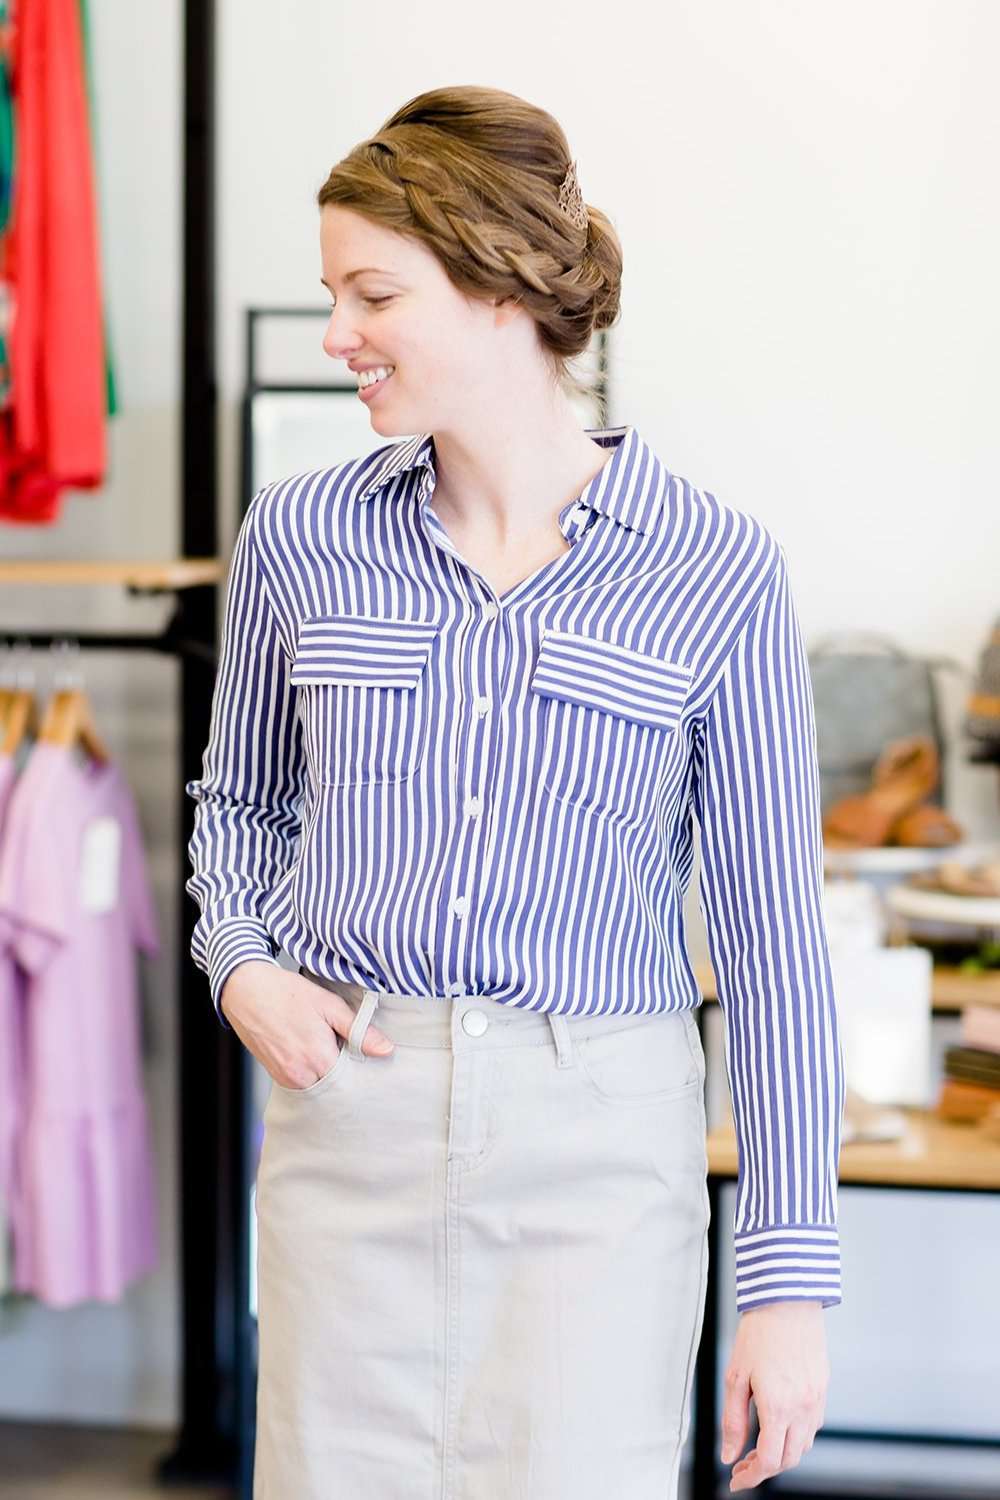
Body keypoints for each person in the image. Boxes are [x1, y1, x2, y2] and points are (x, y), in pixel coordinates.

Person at [185, 84, 844, 1500]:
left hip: (599, 1159)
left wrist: (788, 1286)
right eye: (332, 293)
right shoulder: (302, 537)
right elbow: (236, 806)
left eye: (372, 293)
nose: (336, 335)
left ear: (499, 290)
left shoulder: (714, 569)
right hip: (344, 1135)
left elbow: (780, 949)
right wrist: (239, 963)